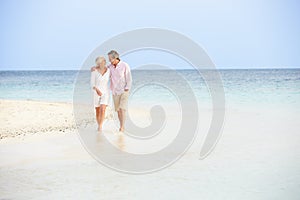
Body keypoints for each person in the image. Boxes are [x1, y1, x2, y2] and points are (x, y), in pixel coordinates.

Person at [108, 50, 132, 132]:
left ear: (115, 58)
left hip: (124, 90)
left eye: (110, 59)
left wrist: (127, 87)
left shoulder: (125, 65)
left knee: (122, 108)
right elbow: (105, 74)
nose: (109, 60)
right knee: (118, 110)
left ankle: (122, 127)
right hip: (115, 91)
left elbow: (129, 77)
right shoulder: (110, 67)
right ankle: (121, 125)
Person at [90, 56, 110, 132]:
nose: (103, 63)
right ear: (98, 63)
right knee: (98, 110)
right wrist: (97, 90)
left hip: (105, 92)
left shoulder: (108, 70)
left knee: (103, 109)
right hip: (96, 92)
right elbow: (92, 84)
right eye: (101, 62)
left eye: (104, 62)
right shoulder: (94, 71)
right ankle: (98, 125)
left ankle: (100, 126)